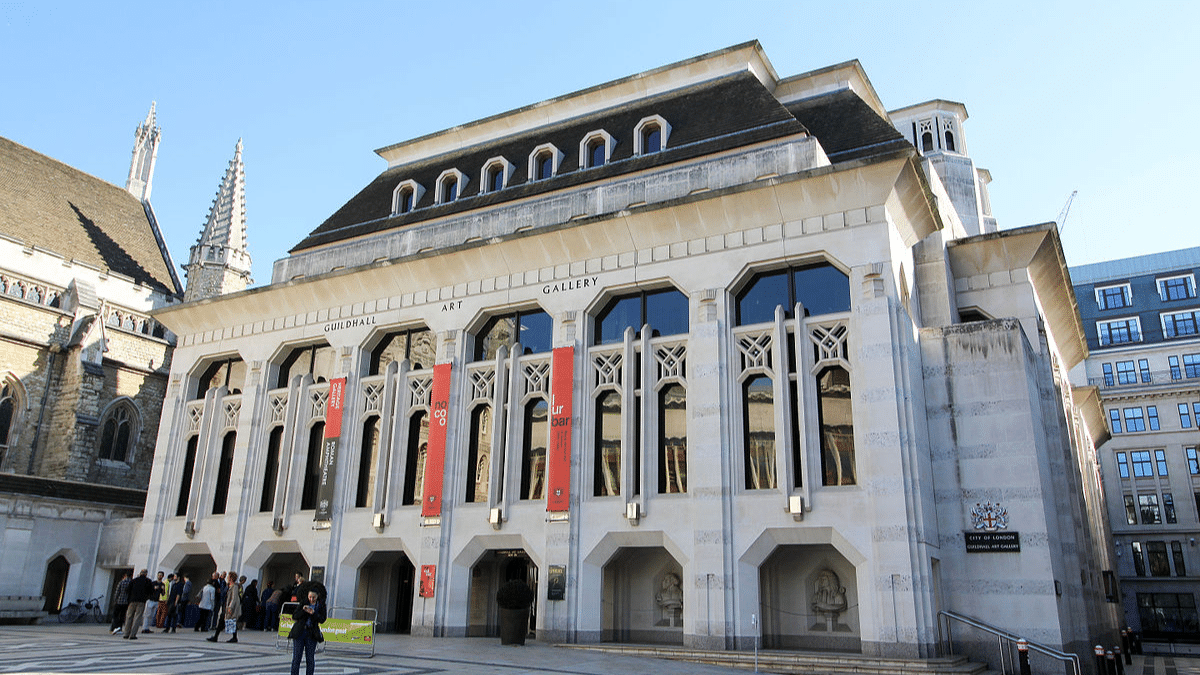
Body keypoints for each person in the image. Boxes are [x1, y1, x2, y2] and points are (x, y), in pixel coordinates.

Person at [289, 589, 326, 675]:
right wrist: (303, 611)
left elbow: (322, 619)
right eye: (310, 597)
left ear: (317, 597)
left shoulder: (320, 605)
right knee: (296, 658)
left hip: (311, 633)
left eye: (313, 597)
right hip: (300, 632)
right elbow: (295, 616)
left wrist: (313, 613)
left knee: (310, 659)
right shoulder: (303, 603)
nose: (311, 599)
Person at [208, 571, 241, 643]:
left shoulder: (234, 587)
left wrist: (230, 607)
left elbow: (234, 598)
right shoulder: (229, 586)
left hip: (230, 608)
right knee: (227, 621)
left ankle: (216, 637)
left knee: (226, 620)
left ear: (231, 578)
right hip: (227, 606)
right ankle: (232, 637)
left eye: (228, 577)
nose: (227, 578)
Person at [122, 569, 154, 639]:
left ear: (140, 573)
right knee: (137, 617)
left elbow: (127, 590)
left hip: (132, 601)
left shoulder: (134, 580)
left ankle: (126, 633)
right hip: (141, 601)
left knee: (129, 617)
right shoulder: (148, 581)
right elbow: (151, 591)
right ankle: (133, 634)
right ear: (146, 574)